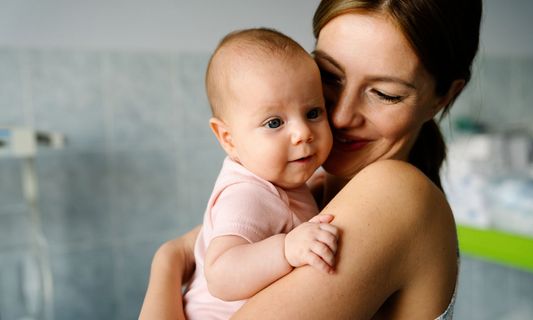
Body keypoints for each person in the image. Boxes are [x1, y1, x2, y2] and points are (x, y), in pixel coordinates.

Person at [140, 0, 482, 318]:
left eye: (384, 94)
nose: (343, 115)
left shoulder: (395, 195)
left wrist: (168, 262)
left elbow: (192, 257)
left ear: (443, 98)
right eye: (330, 76)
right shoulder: (301, 195)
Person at [181, 28, 337, 320]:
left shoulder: (277, 182)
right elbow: (222, 275)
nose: (303, 133)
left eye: (313, 113)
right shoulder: (246, 195)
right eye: (275, 122)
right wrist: (287, 249)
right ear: (228, 138)